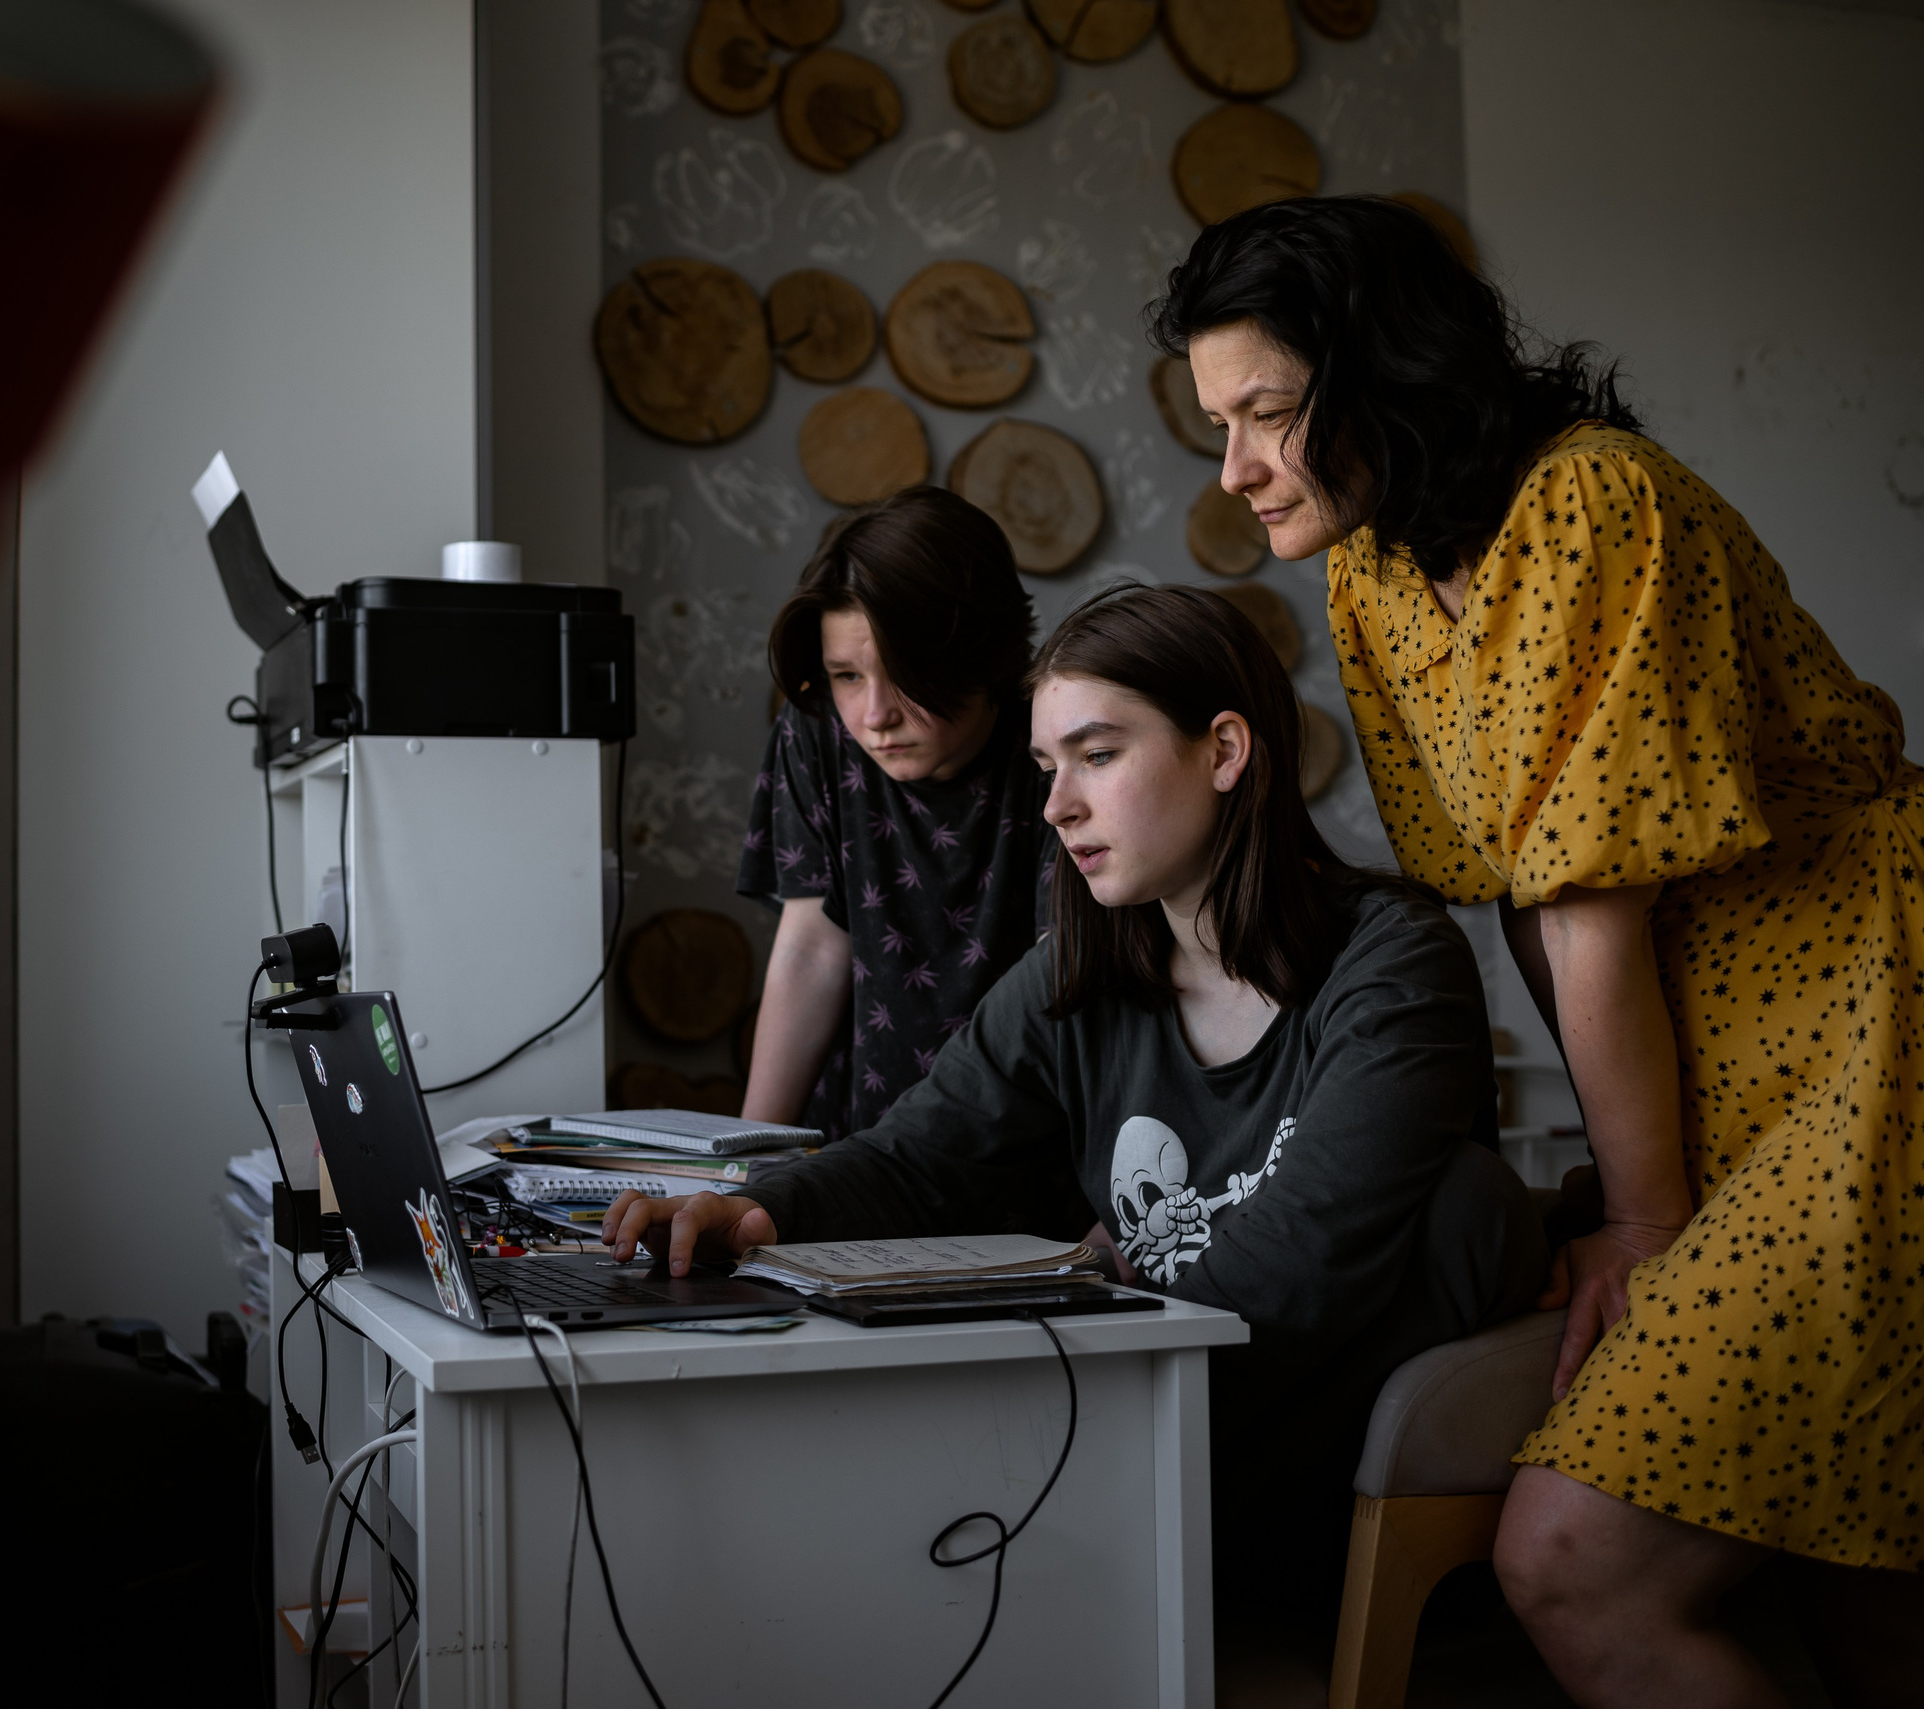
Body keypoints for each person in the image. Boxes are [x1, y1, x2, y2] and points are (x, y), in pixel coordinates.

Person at [1150, 194, 1924, 1706]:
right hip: (1722, 1071)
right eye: (1216, 421)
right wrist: (1640, 1170)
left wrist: (1643, 1222)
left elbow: (1586, 898)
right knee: (1847, 1571)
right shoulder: (1367, 571)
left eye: (1269, 415)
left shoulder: (1587, 504)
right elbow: (1512, 887)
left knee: (1576, 1561)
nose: (1232, 470)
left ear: (1384, 375)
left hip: (1874, 1031)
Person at [620, 584, 1546, 1611]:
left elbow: (1293, 1266)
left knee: (1466, 1202)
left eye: (1096, 755)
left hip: (1275, 1484)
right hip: (1120, 1444)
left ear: (1224, 750)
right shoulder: (1081, 971)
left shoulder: (1392, 965)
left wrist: (1037, 1386)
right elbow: (917, 1156)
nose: (1057, 803)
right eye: (1046, 767)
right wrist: (755, 1210)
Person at [739, 486, 1051, 1144]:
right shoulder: (816, 730)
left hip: (1027, 1144)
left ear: (984, 652)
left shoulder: (1055, 738)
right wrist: (746, 1164)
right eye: (847, 675)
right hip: (854, 1138)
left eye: (903, 673)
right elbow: (811, 948)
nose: (874, 715)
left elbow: (1072, 975)